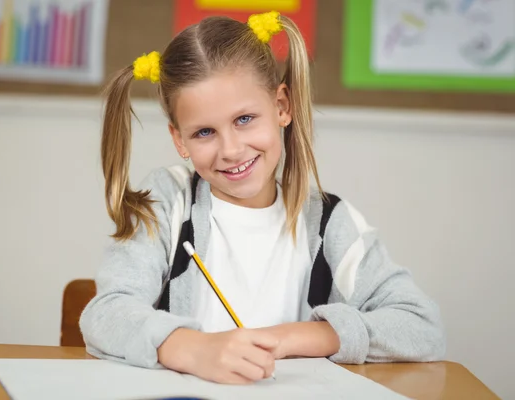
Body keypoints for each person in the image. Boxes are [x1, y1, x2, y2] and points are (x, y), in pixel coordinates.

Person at [80, 11, 445, 385]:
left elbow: (422, 326)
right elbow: (105, 314)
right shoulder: (168, 201)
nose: (231, 150)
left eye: (244, 119)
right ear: (179, 140)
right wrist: (193, 349)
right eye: (205, 132)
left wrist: (290, 338)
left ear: (282, 107)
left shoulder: (330, 221)